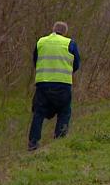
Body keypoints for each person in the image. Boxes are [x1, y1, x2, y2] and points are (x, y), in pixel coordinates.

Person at [28, 21, 80, 151]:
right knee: (64, 111)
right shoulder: (70, 43)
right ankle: (59, 140)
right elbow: (76, 64)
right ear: (65, 32)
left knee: (38, 113)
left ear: (53, 29)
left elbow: (36, 60)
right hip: (63, 84)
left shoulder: (41, 42)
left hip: (43, 84)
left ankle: (33, 142)